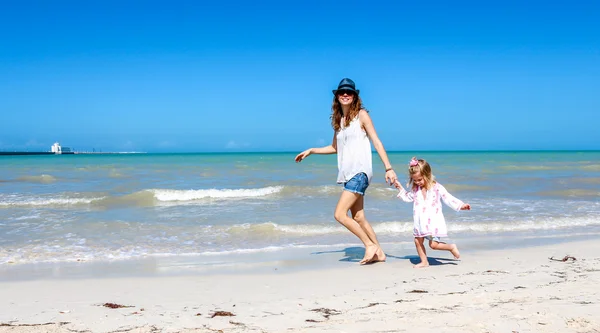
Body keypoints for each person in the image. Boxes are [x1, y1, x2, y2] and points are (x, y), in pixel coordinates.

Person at [295, 78, 397, 265]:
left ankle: (369, 245)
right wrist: (311, 150)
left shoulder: (362, 115)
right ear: (336, 96)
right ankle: (379, 252)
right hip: (349, 174)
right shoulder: (339, 121)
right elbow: (335, 147)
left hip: (360, 172)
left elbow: (376, 141)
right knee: (358, 217)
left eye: (349, 92)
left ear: (354, 96)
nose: (345, 94)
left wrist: (389, 168)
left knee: (339, 214)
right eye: (342, 92)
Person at [394, 157, 471, 268]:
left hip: (433, 222)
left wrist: (461, 205)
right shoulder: (416, 190)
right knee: (417, 240)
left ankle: (451, 247)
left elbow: (448, 198)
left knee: (433, 245)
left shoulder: (437, 188)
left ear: (427, 175)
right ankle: (424, 261)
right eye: (414, 180)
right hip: (420, 223)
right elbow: (407, 197)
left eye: (420, 179)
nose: (417, 182)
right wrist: (400, 188)